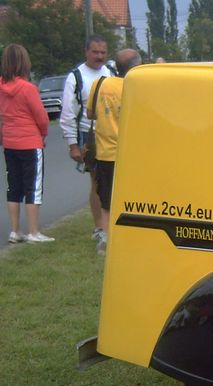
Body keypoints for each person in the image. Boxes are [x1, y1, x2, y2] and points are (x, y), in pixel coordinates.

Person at [87, 48, 142, 255]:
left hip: (105, 152)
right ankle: (130, 236)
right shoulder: (136, 87)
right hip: (130, 153)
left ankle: (106, 238)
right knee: (132, 198)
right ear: (136, 66)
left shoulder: (100, 84)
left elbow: (90, 113)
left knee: (107, 200)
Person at [59, 34, 111, 242]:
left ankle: (110, 224)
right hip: (89, 136)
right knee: (97, 182)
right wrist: (73, 145)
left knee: (111, 182)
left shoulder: (111, 72)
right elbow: (67, 113)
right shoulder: (76, 77)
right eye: (95, 52)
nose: (99, 56)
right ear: (86, 52)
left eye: (103, 52)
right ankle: (99, 227)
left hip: (111, 134)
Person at [0, 44, 51, 243]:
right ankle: (33, 232)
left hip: (10, 142)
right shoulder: (28, 88)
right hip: (30, 141)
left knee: (14, 186)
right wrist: (43, 134)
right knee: (33, 187)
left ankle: (15, 231)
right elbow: (42, 117)